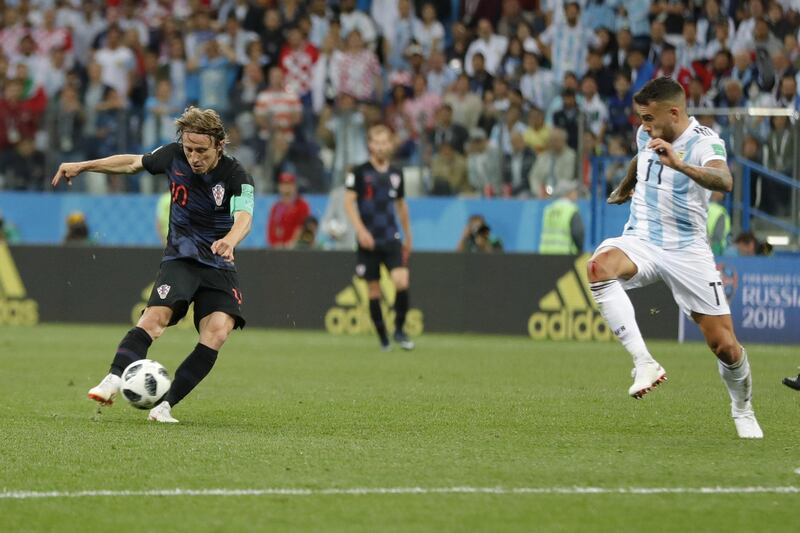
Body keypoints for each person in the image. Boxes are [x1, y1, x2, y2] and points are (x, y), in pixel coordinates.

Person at [51, 107, 254, 423]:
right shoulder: (172, 156)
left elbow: (245, 216)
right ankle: (113, 380)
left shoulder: (236, 176)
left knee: (217, 333)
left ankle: (164, 406)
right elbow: (132, 163)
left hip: (218, 263)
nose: (194, 157)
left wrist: (230, 239)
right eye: (189, 149)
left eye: (201, 150)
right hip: (181, 259)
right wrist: (83, 166)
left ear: (219, 145)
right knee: (155, 319)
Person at [587, 77, 763, 439]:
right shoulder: (646, 133)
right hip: (642, 239)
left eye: (649, 118)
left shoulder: (705, 141)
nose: (644, 125)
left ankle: (742, 408)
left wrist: (681, 165)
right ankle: (644, 362)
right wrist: (626, 185)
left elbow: (724, 180)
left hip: (688, 250)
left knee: (725, 347)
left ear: (674, 112)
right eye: (641, 118)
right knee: (598, 268)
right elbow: (642, 156)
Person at [343, 125, 414, 352]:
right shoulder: (359, 172)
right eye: (377, 142)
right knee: (374, 290)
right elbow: (348, 202)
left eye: (385, 142)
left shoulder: (396, 173)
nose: (382, 146)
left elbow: (401, 206)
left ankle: (400, 330)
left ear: (391, 145)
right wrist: (360, 231)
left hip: (391, 237)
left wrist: (408, 234)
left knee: (402, 281)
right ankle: (384, 338)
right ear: (370, 145)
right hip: (368, 240)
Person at [267, 172, 310, 248]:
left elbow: (302, 227)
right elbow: (271, 228)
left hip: (295, 249)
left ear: (294, 186)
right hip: (278, 249)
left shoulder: (302, 205)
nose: (286, 187)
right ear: (279, 186)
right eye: (283, 184)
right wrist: (275, 244)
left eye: (289, 184)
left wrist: (292, 243)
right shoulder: (276, 207)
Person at [538, 181, 583, 255]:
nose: (576, 194)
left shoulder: (548, 210)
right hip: (565, 255)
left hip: (546, 254)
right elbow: (578, 233)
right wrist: (579, 250)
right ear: (568, 193)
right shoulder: (571, 210)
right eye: (573, 191)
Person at [707, 191, 731, 256]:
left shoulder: (701, 206)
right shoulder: (720, 211)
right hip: (715, 249)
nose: (723, 194)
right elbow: (718, 236)